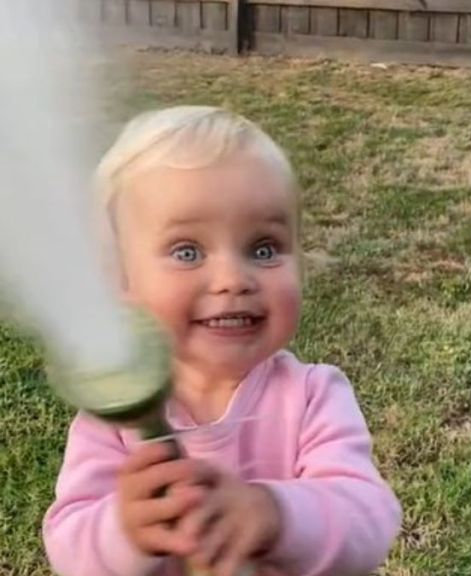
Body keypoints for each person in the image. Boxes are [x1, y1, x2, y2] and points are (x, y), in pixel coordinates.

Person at [43, 106, 402, 576]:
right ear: (121, 282)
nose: (233, 278)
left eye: (264, 248)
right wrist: (125, 529)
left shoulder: (313, 396)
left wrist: (275, 512)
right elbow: (69, 544)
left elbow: (369, 518)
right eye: (187, 251)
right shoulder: (114, 421)